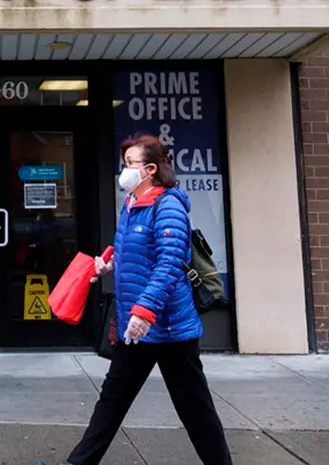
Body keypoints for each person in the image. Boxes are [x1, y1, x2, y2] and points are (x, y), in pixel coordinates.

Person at [36, 133, 232, 465]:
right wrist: (108, 261)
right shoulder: (132, 204)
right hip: (135, 327)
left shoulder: (167, 205)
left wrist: (145, 310)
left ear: (151, 169)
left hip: (167, 329)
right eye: (123, 163)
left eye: (130, 164)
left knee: (195, 410)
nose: (124, 170)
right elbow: (135, 249)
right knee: (111, 400)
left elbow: (170, 263)